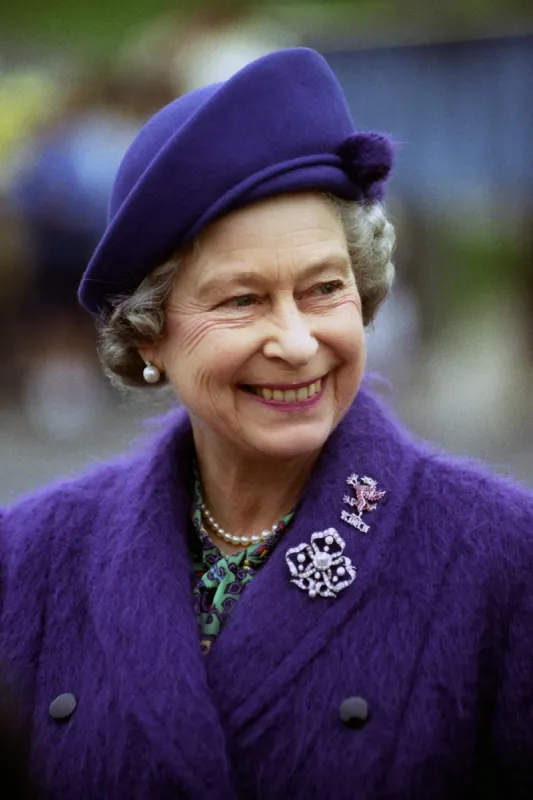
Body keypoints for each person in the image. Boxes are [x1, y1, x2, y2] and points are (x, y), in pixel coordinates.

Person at [0, 48, 532, 799]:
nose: (295, 341)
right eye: (241, 301)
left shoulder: (503, 558)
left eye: (322, 290)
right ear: (150, 335)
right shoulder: (27, 559)